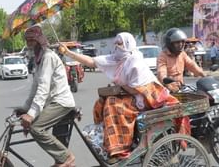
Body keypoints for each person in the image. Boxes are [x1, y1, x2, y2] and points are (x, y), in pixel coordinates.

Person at [59, 32, 183, 161]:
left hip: (146, 98)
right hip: (131, 94)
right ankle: (107, 141)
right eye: (116, 43)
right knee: (101, 103)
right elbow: (92, 62)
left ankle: (121, 149)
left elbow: (137, 89)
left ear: (128, 44)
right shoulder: (117, 58)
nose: (117, 46)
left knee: (114, 106)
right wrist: (69, 53)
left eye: (120, 43)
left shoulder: (134, 60)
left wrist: (119, 88)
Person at [19, 25, 76, 167]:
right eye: (27, 40)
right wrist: (25, 108)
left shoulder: (48, 56)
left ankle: (66, 156)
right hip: (52, 102)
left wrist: (31, 114)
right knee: (34, 125)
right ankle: (60, 159)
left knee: (36, 128)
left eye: (32, 39)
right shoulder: (38, 58)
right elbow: (35, 87)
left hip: (61, 102)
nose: (29, 43)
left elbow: (43, 88)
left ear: (39, 40)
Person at [157, 28, 206, 93]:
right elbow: (161, 71)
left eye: (182, 41)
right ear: (170, 44)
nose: (180, 44)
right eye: (177, 42)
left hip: (180, 87)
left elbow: (192, 65)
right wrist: (167, 83)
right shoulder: (163, 56)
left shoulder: (182, 54)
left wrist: (204, 75)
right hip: (167, 90)